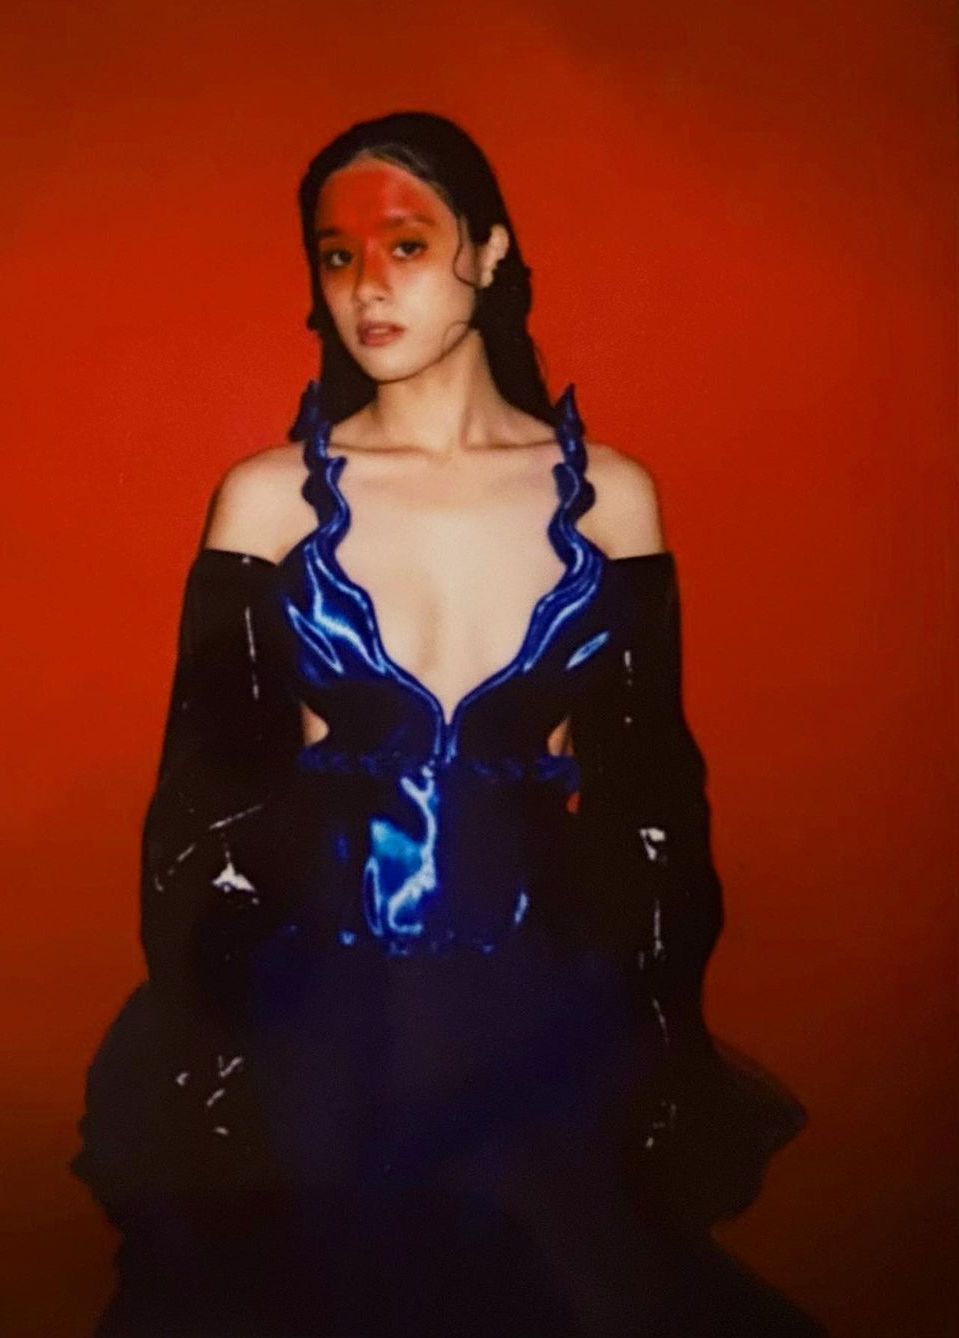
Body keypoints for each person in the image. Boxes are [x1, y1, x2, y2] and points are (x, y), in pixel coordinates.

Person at [72, 111, 825, 1337]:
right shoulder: (265, 502)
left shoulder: (614, 499)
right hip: (318, 1025)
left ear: (488, 251)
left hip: (542, 1028)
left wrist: (663, 1028)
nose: (366, 286)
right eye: (335, 256)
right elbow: (203, 814)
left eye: (406, 245)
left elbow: (653, 808)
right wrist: (213, 1053)